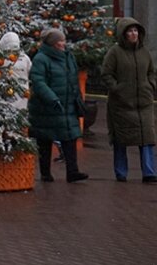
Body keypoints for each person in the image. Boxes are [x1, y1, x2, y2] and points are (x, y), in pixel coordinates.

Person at [100, 17, 157, 183]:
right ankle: (121, 172)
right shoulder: (115, 52)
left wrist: (150, 85)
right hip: (121, 105)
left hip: (143, 104)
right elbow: (106, 73)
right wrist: (117, 89)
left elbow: (151, 72)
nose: (134, 34)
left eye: (136, 31)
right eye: (130, 31)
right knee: (121, 139)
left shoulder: (144, 52)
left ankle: (149, 172)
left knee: (147, 138)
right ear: (123, 34)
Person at [29, 28, 89, 182]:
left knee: (70, 136)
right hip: (47, 106)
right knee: (45, 139)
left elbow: (73, 79)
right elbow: (38, 81)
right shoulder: (41, 58)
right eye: (60, 41)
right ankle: (45, 173)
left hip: (67, 104)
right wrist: (51, 98)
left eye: (63, 40)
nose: (63, 43)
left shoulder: (68, 57)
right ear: (52, 43)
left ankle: (73, 171)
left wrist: (78, 99)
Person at [0, 31, 31, 111]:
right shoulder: (24, 58)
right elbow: (32, 73)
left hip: (5, 97)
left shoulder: (0, 60)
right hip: (22, 96)